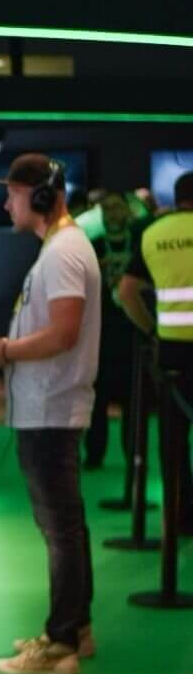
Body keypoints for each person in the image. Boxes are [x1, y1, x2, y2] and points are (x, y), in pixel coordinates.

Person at [0, 154, 101, 674]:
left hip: (51, 407)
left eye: (13, 194)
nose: (7, 204)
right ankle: (76, 630)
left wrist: (7, 350)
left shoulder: (64, 252)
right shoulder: (60, 249)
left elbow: (64, 332)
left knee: (60, 528)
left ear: (40, 197)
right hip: (48, 405)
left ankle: (61, 643)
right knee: (65, 524)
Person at [118, 170, 193, 537]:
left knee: (173, 439)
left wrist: (150, 330)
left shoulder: (154, 234)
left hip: (173, 350)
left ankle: (182, 516)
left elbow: (126, 292)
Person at [84, 192, 145, 471]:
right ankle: (94, 454)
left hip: (133, 332)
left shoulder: (140, 246)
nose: (112, 214)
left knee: (134, 400)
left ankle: (134, 455)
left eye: (117, 208)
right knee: (96, 400)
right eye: (106, 209)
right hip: (101, 332)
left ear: (127, 211)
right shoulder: (92, 246)